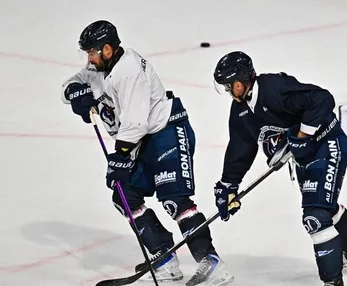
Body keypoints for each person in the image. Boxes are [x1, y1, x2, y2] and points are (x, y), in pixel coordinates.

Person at [61, 20, 233, 286]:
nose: (88, 59)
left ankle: (211, 262)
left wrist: (120, 156)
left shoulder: (129, 71)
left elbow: (136, 122)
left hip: (167, 132)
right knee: (124, 194)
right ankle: (164, 260)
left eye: (91, 52)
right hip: (141, 141)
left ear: (107, 49)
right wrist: (75, 92)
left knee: (174, 199)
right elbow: (74, 83)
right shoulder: (99, 67)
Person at [212, 51, 347, 286]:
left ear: (243, 80)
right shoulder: (240, 110)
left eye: (230, 85)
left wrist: (301, 135)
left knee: (315, 216)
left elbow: (322, 99)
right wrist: (228, 185)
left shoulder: (274, 87)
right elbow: (240, 147)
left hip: (328, 145)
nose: (228, 91)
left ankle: (332, 282)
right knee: (323, 206)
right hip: (304, 157)